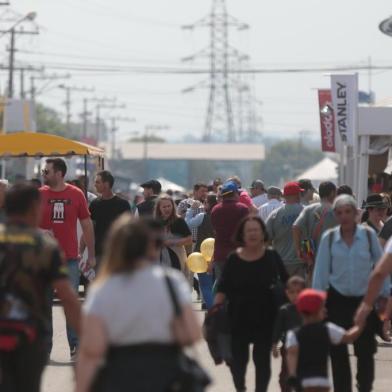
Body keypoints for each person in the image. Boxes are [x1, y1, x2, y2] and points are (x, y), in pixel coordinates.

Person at [76, 215, 202, 392]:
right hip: (165, 373)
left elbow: (91, 348)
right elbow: (192, 333)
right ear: (152, 247)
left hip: (119, 374)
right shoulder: (171, 282)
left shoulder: (104, 288)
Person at [0, 184, 81, 392]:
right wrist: (86, 335)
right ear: (33, 208)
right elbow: (67, 297)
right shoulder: (44, 246)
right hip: (30, 338)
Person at [312, 194, 389, 392]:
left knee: (365, 352)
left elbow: (381, 268)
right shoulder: (329, 239)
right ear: (336, 216)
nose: (344, 216)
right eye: (340, 213)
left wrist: (384, 298)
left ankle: (363, 387)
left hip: (364, 302)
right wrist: (317, 306)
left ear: (356, 214)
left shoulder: (369, 236)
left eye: (348, 212)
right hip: (337, 301)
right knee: (337, 353)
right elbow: (320, 275)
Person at [215, 216, 288, 392]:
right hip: (238, 318)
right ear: (242, 235)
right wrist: (214, 313)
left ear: (263, 233)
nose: (253, 233)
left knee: (262, 362)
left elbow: (287, 282)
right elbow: (222, 287)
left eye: (257, 230)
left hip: (266, 319)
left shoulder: (272, 255)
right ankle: (241, 389)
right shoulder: (233, 259)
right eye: (249, 230)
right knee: (237, 364)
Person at [39, 158, 95, 359]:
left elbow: (87, 225)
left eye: (47, 171)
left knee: (70, 304)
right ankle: (45, 347)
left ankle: (76, 345)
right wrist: (40, 230)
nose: (44, 174)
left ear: (60, 173)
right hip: (42, 260)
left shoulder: (76, 194)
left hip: (69, 259)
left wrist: (92, 255)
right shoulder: (39, 195)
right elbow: (26, 224)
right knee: (43, 304)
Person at [286, 289, 361, 392]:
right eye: (323, 307)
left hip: (303, 381)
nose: (325, 310)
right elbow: (348, 337)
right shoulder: (328, 329)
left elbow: (292, 353)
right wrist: (359, 324)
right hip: (321, 381)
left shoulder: (293, 334)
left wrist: (292, 374)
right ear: (319, 311)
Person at [89, 170, 131, 268]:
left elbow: (128, 229)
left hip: (118, 253)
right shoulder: (94, 204)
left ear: (106, 184)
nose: (95, 185)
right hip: (99, 253)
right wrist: (82, 250)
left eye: (97, 182)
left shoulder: (123, 204)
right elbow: (89, 228)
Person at [293, 181, 337, 271]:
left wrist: (298, 250)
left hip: (311, 256)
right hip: (331, 257)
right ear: (332, 193)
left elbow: (295, 227)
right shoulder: (337, 210)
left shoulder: (308, 209)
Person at [272, 276, 305, 392]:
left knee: (303, 375)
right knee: (285, 375)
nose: (295, 295)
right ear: (286, 293)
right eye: (292, 292)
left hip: (305, 348)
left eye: (298, 292)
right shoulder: (284, 310)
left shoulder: (308, 310)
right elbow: (278, 329)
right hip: (288, 348)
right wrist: (274, 344)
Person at [211, 181, 249, 281]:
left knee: (223, 287)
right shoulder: (243, 209)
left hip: (220, 255)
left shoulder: (215, 210)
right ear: (235, 194)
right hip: (239, 255)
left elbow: (215, 231)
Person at [185, 193, 218, 309]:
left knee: (205, 284)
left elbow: (188, 223)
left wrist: (191, 209)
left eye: (205, 202)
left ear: (208, 204)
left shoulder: (202, 216)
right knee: (215, 283)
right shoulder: (220, 216)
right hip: (218, 252)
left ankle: (211, 309)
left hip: (202, 253)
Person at [266, 182, 305, 277]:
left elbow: (266, 240)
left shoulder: (274, 215)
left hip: (281, 262)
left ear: (284, 196)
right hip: (301, 262)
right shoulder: (306, 211)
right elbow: (310, 237)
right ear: (298, 195)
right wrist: (309, 258)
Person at [155, 194, 193, 276]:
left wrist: (171, 242)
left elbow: (189, 239)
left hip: (176, 259)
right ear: (159, 208)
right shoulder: (155, 222)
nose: (167, 209)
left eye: (169, 206)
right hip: (159, 259)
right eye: (164, 207)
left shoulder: (178, 221)